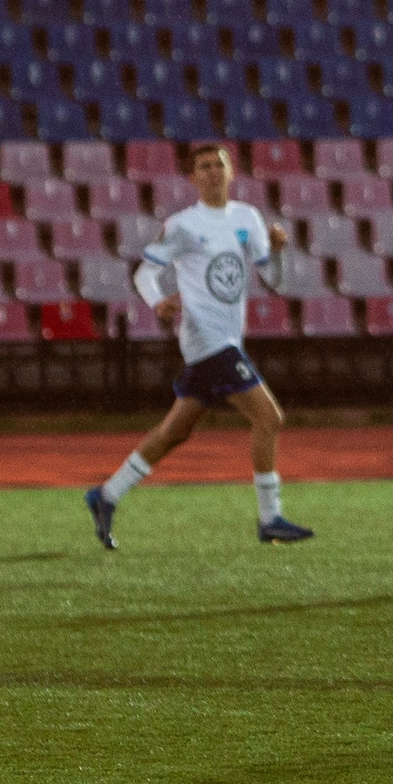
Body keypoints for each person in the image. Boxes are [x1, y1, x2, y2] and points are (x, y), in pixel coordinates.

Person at [85, 142, 312, 547]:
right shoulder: (182, 225)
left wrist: (278, 252)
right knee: (269, 419)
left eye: (217, 165)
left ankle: (106, 495)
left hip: (227, 338)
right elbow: (144, 274)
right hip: (205, 338)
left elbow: (274, 281)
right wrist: (158, 302)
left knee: (175, 431)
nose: (211, 172)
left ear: (231, 171)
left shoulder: (247, 217)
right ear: (192, 178)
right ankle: (270, 517)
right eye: (203, 167)